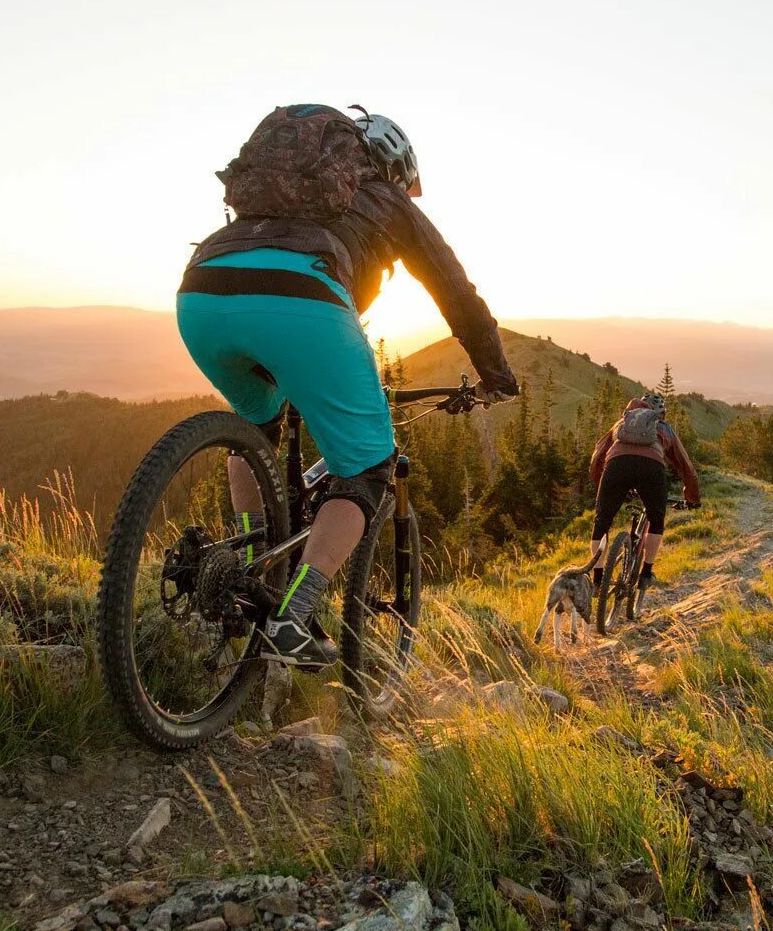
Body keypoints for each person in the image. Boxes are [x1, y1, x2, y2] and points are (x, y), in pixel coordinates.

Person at [176, 104, 517, 665]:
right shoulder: (387, 201)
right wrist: (496, 375)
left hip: (202, 290)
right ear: (397, 168)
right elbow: (453, 290)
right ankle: (294, 614)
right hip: (302, 303)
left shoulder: (281, 190)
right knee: (367, 471)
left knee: (255, 426)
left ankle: (250, 553)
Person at [588, 393, 701, 596]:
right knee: (656, 519)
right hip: (651, 469)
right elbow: (685, 466)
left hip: (616, 467)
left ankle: (597, 579)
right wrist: (692, 497)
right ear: (660, 414)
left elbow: (598, 455)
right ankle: (646, 574)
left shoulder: (620, 424)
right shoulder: (664, 428)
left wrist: (601, 484)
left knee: (601, 522)